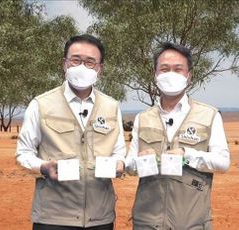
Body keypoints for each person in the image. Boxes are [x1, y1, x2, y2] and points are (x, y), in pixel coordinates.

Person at [15, 34, 126, 230]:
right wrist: (43, 167)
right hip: (53, 218)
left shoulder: (112, 106)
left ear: (100, 69)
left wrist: (119, 163)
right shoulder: (41, 104)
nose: (82, 66)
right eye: (76, 60)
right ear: (64, 64)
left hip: (100, 218)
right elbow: (24, 153)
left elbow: (119, 151)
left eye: (90, 62)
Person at [125, 42, 230, 229]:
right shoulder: (143, 118)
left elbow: (222, 161)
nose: (170, 74)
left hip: (191, 223)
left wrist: (186, 154)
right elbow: (130, 166)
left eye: (178, 69)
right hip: (147, 222)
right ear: (155, 74)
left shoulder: (210, 115)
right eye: (164, 69)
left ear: (188, 76)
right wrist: (140, 160)